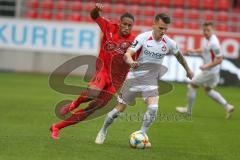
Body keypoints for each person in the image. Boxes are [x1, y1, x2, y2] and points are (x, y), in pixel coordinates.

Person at [95, 13, 193, 146]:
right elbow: (128, 54)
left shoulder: (169, 43)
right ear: (154, 24)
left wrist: (188, 69)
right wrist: (130, 62)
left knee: (153, 108)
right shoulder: (143, 38)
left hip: (150, 81)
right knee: (118, 110)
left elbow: (179, 56)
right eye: (160, 28)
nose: (163, 31)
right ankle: (103, 130)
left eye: (165, 29)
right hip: (134, 78)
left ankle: (141, 134)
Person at [50, 3, 137, 139]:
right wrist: (96, 9)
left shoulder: (134, 42)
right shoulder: (109, 27)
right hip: (102, 71)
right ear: (119, 23)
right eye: (124, 24)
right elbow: (94, 16)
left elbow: (136, 58)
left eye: (129, 25)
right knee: (93, 93)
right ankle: (75, 103)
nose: (126, 27)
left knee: (93, 108)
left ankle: (57, 127)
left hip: (116, 81)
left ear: (132, 27)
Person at [176, 22, 234, 119]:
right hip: (214, 71)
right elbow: (205, 49)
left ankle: (188, 111)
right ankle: (228, 106)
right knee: (208, 90)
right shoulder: (211, 40)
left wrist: (207, 66)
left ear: (212, 30)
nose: (206, 32)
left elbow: (219, 59)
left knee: (192, 85)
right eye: (204, 30)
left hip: (209, 71)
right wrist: (194, 51)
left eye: (208, 30)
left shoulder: (214, 43)